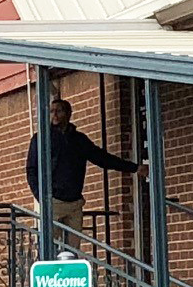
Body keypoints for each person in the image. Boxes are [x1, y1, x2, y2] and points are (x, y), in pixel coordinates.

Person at [25, 98, 146, 238]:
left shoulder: (79, 140)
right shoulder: (41, 139)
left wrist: (134, 168)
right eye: (51, 111)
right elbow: (31, 170)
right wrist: (42, 197)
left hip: (75, 203)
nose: (55, 115)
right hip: (53, 202)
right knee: (49, 249)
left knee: (73, 250)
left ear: (69, 113)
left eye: (59, 111)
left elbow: (102, 158)